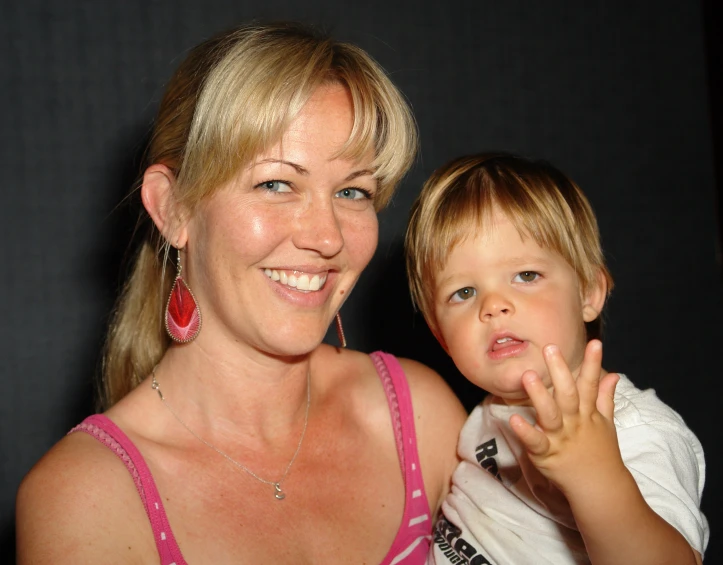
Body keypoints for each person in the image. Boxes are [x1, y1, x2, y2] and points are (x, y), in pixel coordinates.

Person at [16, 23, 467, 564]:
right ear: (173, 208)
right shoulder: (85, 500)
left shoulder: (418, 419)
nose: (327, 237)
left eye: (352, 191)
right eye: (276, 184)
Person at [405, 153, 708, 564]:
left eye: (526, 275)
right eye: (463, 292)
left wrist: (595, 476)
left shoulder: (636, 429)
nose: (493, 305)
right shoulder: (485, 414)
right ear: (441, 336)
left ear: (588, 293)